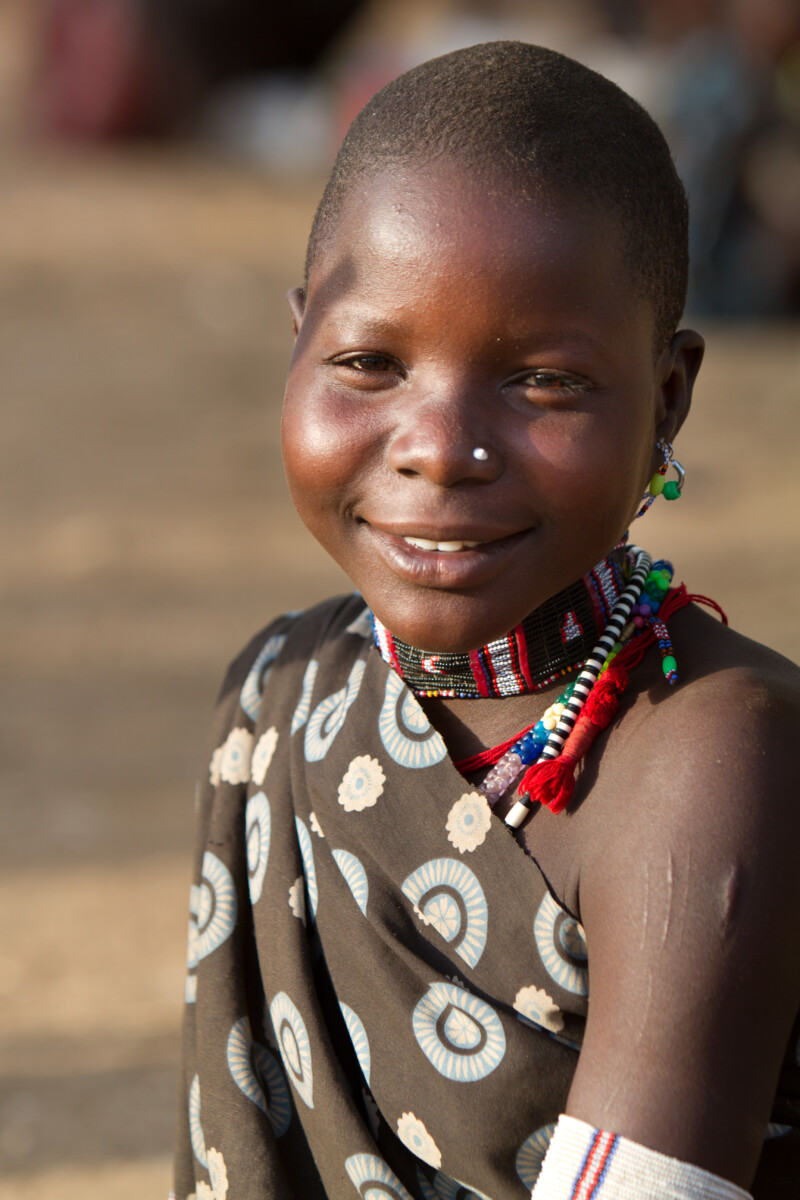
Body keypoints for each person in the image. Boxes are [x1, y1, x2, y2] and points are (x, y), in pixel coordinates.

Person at [173, 42, 800, 1200]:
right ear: (298, 336)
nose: (439, 449)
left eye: (542, 382)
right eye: (367, 361)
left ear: (666, 398)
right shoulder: (281, 692)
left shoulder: (710, 758)